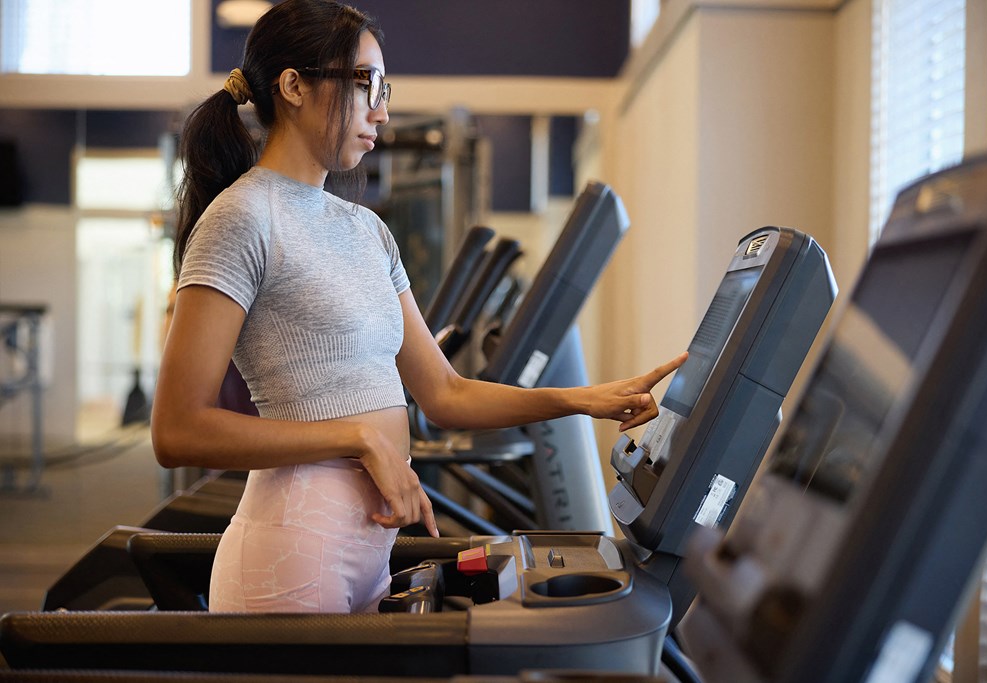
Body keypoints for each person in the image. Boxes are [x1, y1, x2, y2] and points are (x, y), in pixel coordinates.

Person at [151, 0, 686, 615]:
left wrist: (583, 400)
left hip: (371, 548)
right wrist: (359, 438)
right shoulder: (242, 219)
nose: (382, 109)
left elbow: (446, 394)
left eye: (386, 88)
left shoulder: (366, 230)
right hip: (293, 547)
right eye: (367, 84)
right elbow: (178, 427)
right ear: (293, 86)